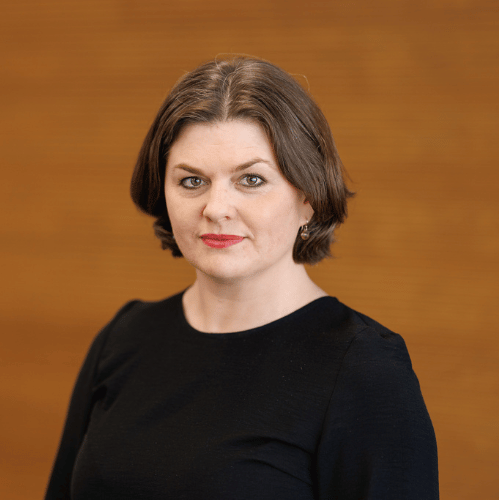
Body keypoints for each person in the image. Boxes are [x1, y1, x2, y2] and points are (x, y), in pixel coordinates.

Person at [45, 57, 439, 499]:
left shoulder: (365, 369)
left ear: (308, 197)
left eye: (251, 179)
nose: (216, 208)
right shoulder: (124, 337)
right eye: (191, 181)